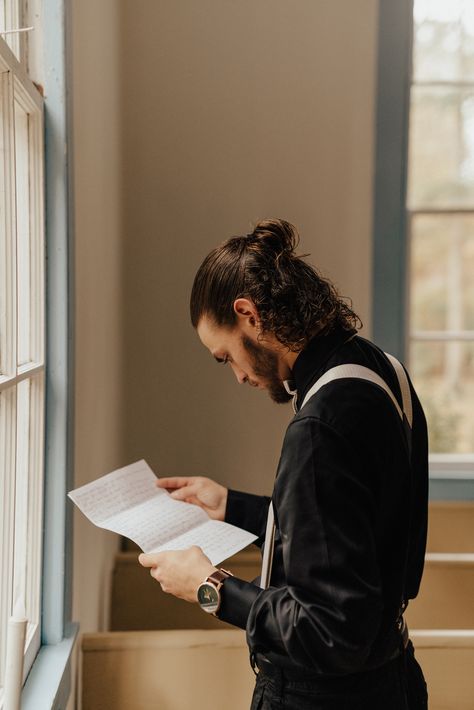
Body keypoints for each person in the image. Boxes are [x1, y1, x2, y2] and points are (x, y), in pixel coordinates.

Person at [139, 218, 429, 709]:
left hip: (326, 697)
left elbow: (331, 630)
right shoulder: (381, 369)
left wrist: (210, 586)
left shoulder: (318, 426)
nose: (237, 376)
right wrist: (231, 506)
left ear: (249, 314)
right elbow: (349, 531)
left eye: (225, 356)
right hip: (393, 678)